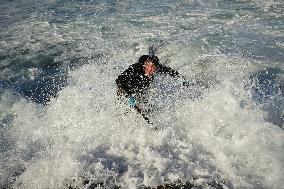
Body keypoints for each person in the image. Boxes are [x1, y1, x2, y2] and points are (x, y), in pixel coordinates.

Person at [116, 54, 189, 124]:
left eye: (154, 68)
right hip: (124, 90)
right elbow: (119, 81)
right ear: (146, 64)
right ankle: (120, 120)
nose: (151, 70)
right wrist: (128, 96)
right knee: (125, 110)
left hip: (139, 91)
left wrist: (182, 80)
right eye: (150, 67)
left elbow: (171, 71)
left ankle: (142, 120)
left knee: (146, 108)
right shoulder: (135, 69)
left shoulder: (156, 68)